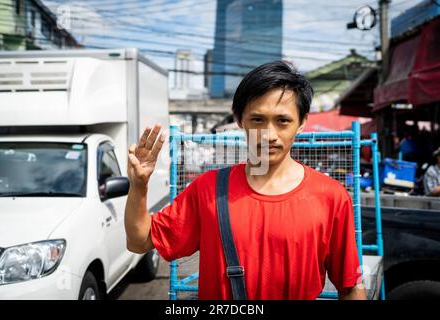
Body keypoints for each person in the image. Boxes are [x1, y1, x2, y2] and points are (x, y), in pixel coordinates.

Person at [124, 61, 366, 300]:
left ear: (302, 123)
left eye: (282, 121)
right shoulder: (208, 189)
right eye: (257, 120)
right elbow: (140, 241)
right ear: (240, 121)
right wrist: (138, 186)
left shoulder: (331, 197)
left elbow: (351, 287)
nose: (269, 135)